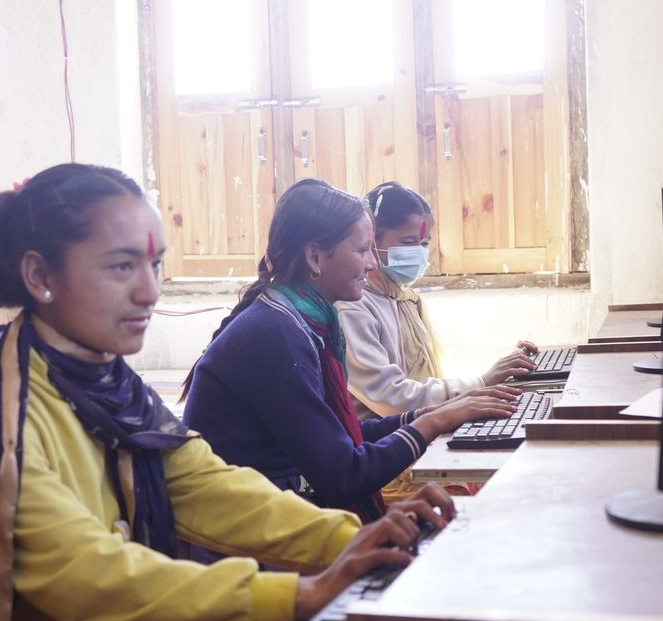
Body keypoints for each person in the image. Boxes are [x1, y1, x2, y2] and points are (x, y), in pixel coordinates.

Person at [0, 164, 455, 621]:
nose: (150, 291)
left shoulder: (98, 375)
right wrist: (299, 595)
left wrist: (348, 539)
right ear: (40, 275)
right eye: (122, 267)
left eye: (155, 265)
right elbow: (88, 574)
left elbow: (199, 483)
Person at [181, 179, 518, 522]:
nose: (373, 264)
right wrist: (436, 420)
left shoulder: (294, 318)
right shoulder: (278, 333)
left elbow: (344, 436)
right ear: (314, 257)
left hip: (279, 509)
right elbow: (345, 475)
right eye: (362, 250)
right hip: (250, 531)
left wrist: (436, 412)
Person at [337, 181, 539, 420]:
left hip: (418, 427)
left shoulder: (406, 299)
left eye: (424, 243)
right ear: (372, 241)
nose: (419, 252)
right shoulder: (352, 307)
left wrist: (500, 372)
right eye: (408, 242)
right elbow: (391, 399)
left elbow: (428, 380)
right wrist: (482, 381)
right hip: (385, 442)